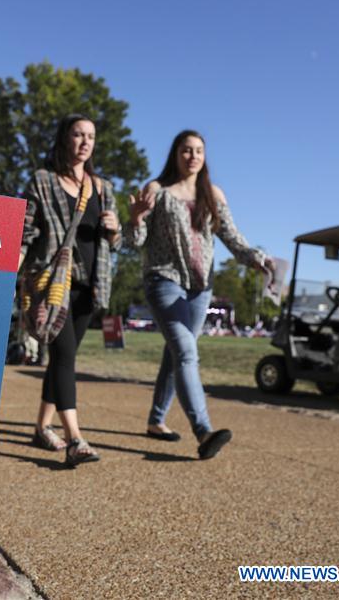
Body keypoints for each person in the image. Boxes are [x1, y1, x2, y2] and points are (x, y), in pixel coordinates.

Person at [126, 130, 274, 459]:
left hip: (200, 287)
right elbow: (135, 241)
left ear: (204, 157)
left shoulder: (213, 194)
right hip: (163, 280)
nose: (192, 156)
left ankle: (155, 420)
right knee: (186, 353)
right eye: (186, 150)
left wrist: (257, 259)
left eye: (198, 151)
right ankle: (204, 431)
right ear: (175, 155)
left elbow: (232, 238)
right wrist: (135, 218)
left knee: (176, 353)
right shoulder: (157, 190)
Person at [18, 114, 121, 466]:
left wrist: (115, 228)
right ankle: (76, 438)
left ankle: (41, 427)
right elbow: (26, 229)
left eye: (91, 136)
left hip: (89, 285)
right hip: (52, 284)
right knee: (64, 357)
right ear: (64, 138)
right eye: (78, 134)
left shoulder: (103, 187)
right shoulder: (43, 181)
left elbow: (116, 242)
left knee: (65, 358)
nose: (85, 141)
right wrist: (11, 265)